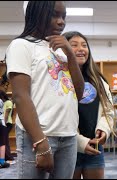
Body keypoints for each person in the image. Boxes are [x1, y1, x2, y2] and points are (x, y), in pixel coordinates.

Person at [2, 1, 84, 178]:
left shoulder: (60, 52)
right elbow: (20, 96)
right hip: (39, 136)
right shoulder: (21, 45)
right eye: (55, 15)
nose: (61, 21)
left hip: (68, 136)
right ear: (37, 13)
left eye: (64, 16)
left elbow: (79, 92)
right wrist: (40, 142)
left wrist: (70, 54)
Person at [62, 31, 115, 179]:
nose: (81, 49)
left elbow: (108, 111)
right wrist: (80, 142)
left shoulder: (98, 80)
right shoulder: (59, 80)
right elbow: (58, 116)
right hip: (67, 147)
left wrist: (103, 130)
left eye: (84, 45)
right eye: (74, 45)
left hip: (94, 147)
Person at [0, 90, 15, 163]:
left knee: (4, 141)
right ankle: (6, 157)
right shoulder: (3, 102)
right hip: (3, 123)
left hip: (7, 123)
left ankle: (9, 158)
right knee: (4, 140)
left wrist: (4, 123)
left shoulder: (8, 102)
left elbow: (6, 113)